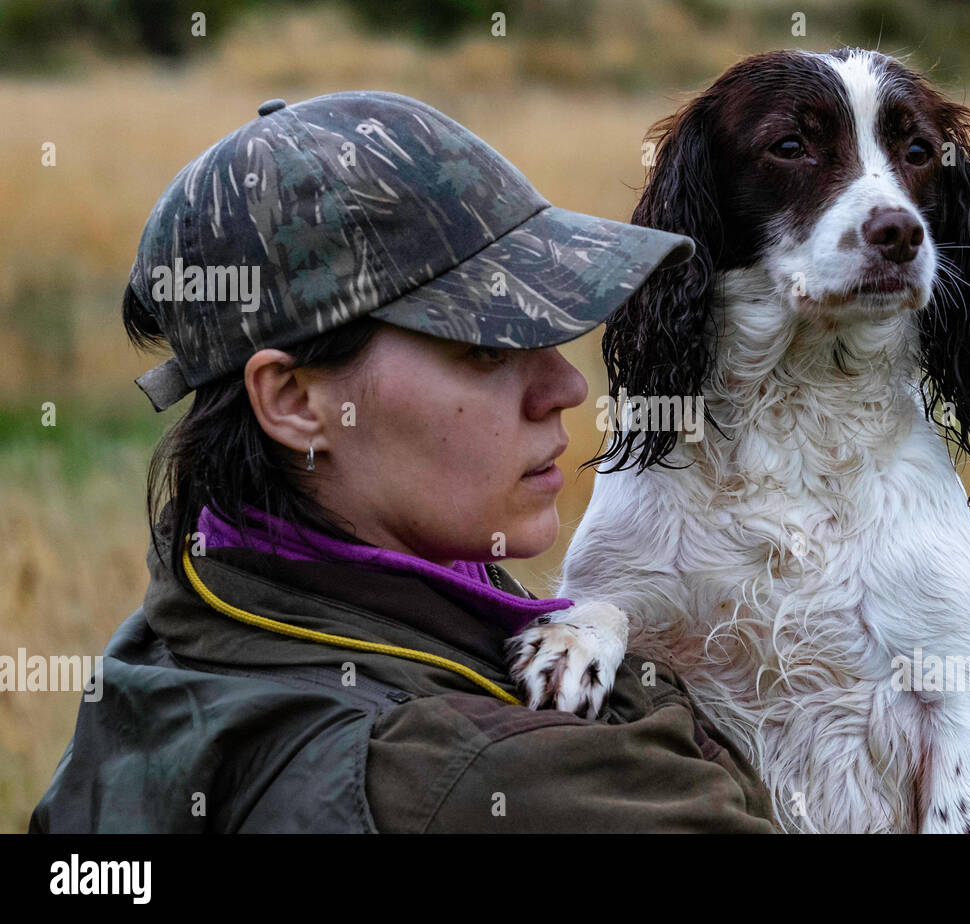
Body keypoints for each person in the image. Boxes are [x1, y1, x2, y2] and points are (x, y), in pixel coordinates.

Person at [29, 91, 776, 833]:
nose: (566, 386)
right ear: (292, 401)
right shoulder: (485, 781)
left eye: (549, 329)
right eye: (486, 346)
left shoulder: (175, 640)